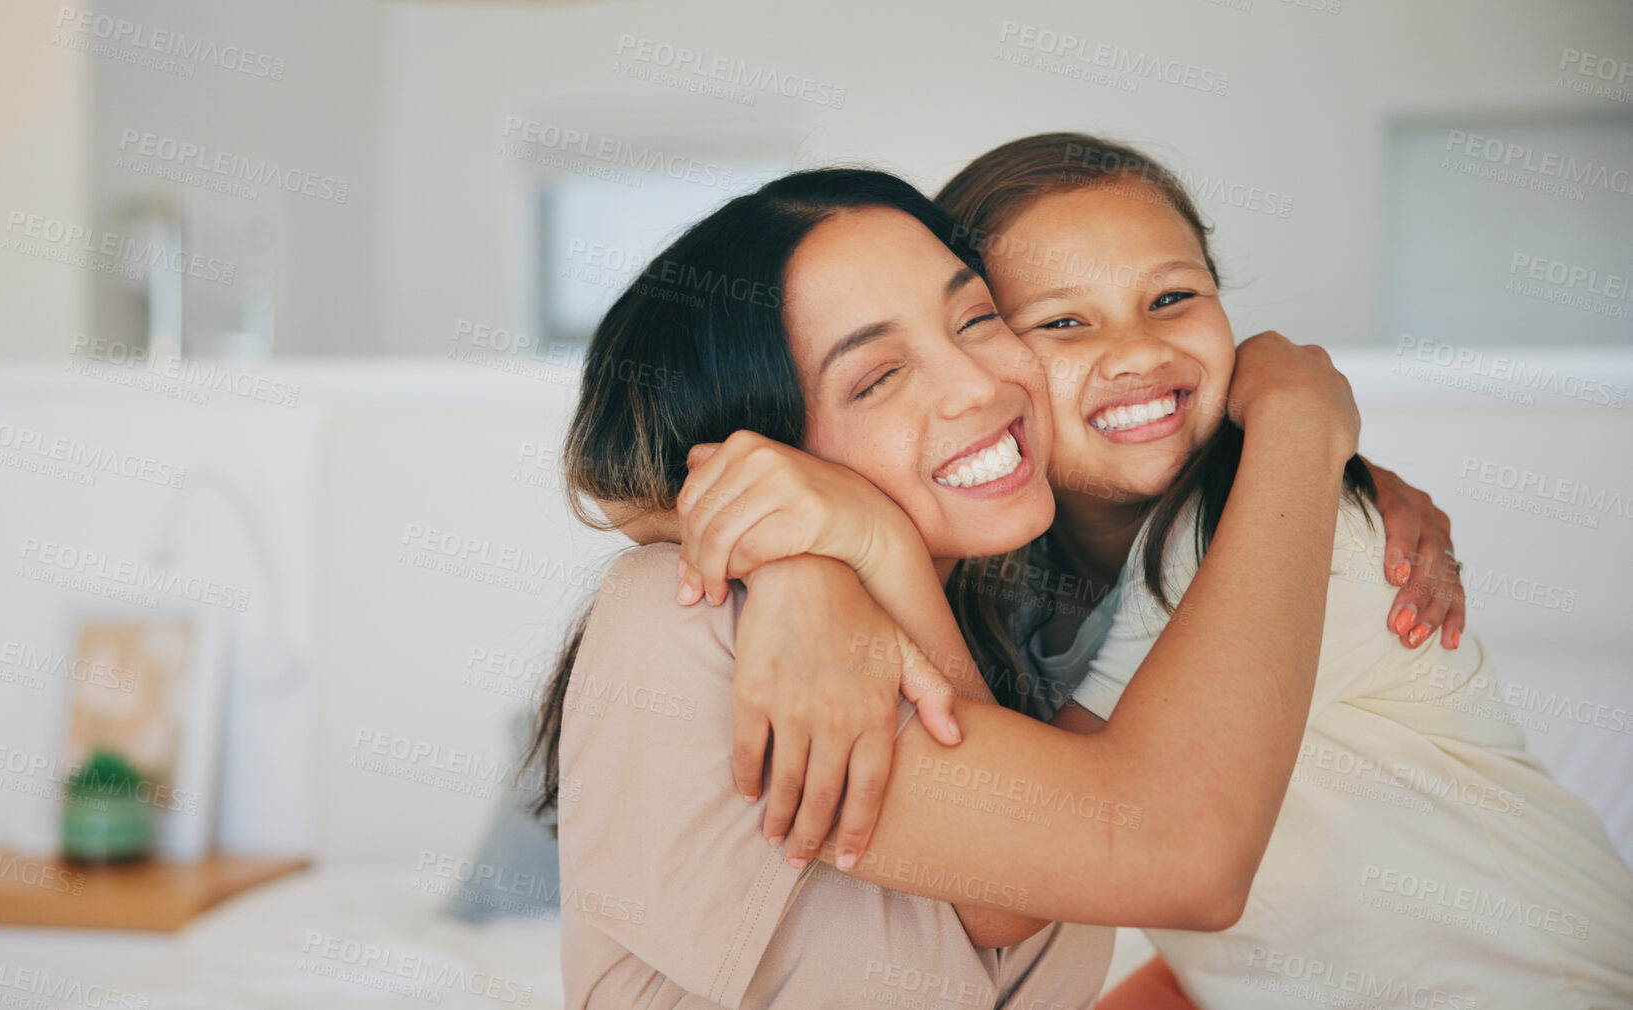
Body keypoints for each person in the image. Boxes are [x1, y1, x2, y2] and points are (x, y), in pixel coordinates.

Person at [680, 135, 1633, 1008]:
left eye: (1172, 298)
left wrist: (1301, 420)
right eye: (1059, 322)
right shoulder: (1015, 580)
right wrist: (813, 570)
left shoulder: (1276, 532)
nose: (1137, 350)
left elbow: (1048, 866)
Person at [527, 166, 1370, 1009]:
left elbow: (1008, 913)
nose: (977, 386)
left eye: (975, 318)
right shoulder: (688, 621)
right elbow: (1180, 859)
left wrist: (875, 549)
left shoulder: (1017, 630)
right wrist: (1299, 425)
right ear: (762, 445)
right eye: (875, 377)